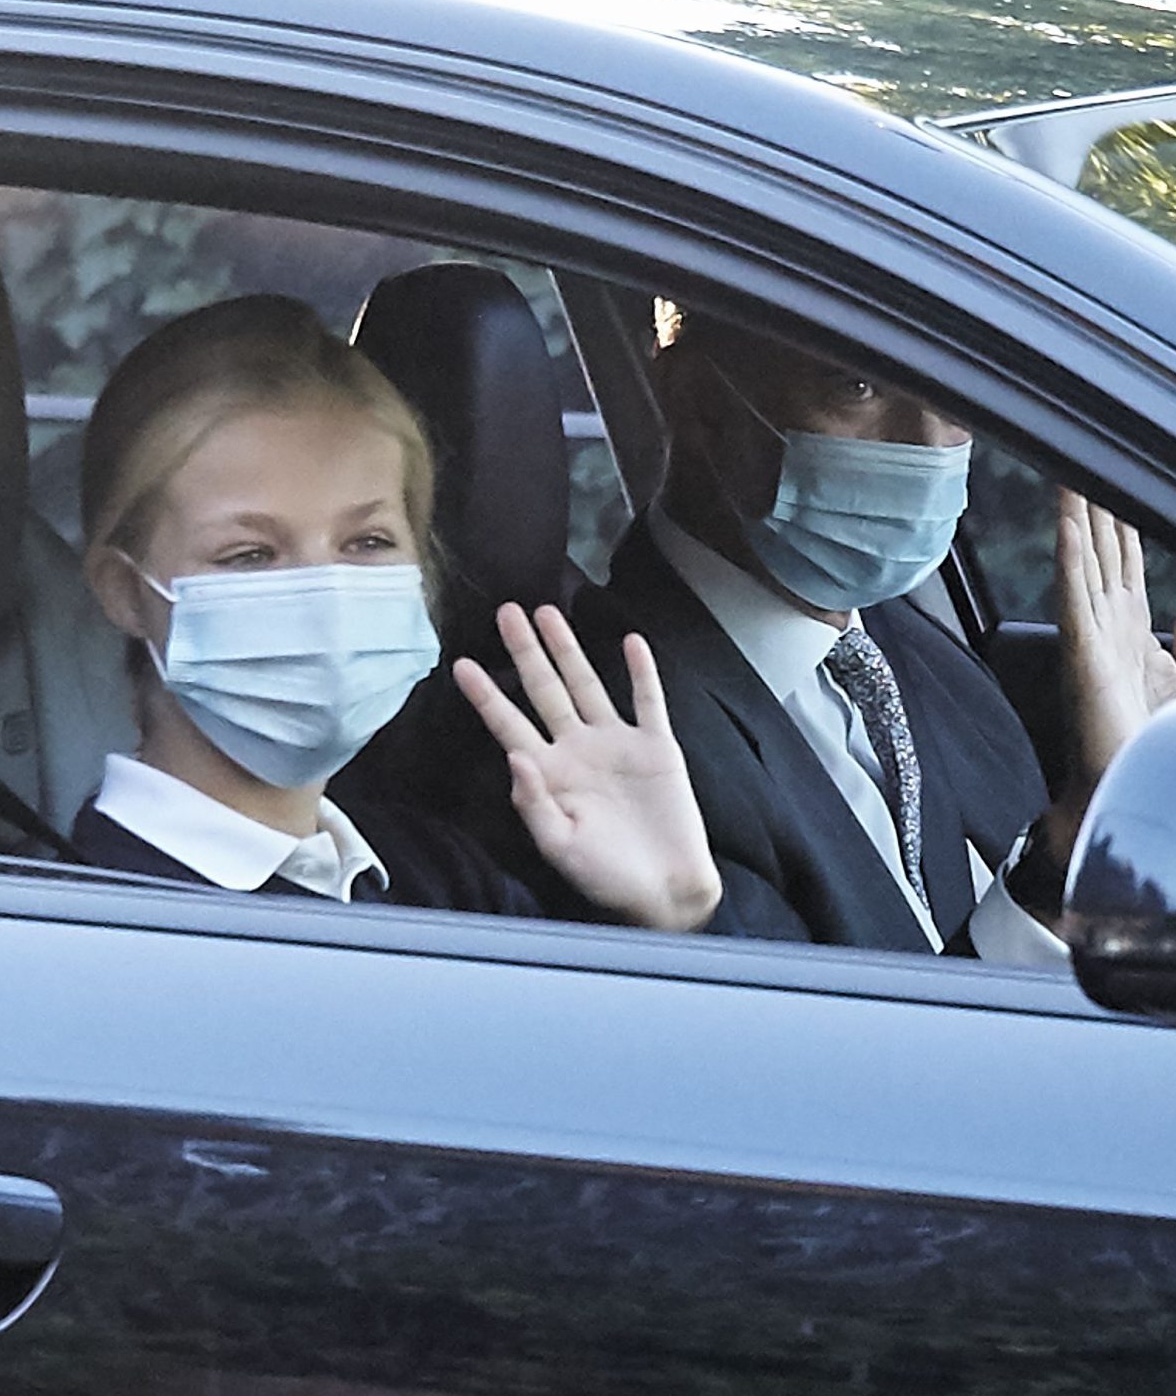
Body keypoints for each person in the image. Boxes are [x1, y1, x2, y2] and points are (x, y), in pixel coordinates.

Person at [368, 307, 1176, 961]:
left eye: (954, 392)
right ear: (701, 404)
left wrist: (1165, 822)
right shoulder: (600, 750)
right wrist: (1074, 848)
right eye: (859, 387)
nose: (930, 444)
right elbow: (864, 1093)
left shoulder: (920, 656)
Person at [70, 292, 720, 933]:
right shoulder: (84, 922)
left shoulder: (441, 877)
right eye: (249, 554)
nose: (325, 596)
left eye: (368, 542)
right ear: (125, 591)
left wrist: (669, 914)